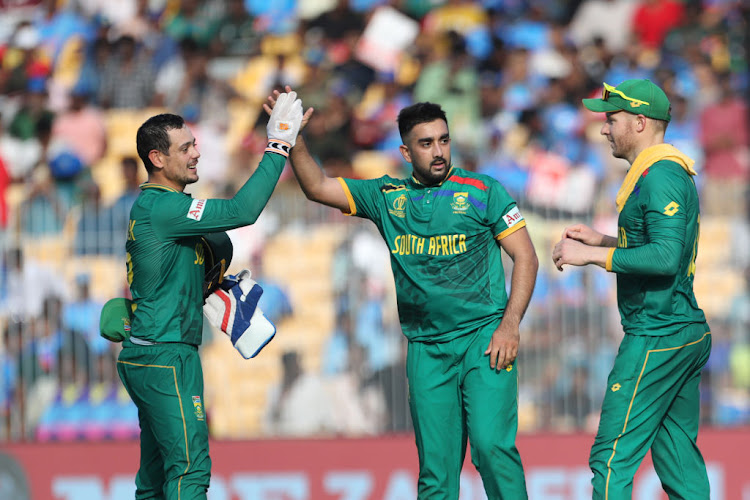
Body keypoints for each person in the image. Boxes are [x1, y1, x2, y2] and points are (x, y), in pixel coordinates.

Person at [267, 88, 538, 499]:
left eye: (443, 140)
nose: (438, 151)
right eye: (426, 143)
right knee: (436, 470)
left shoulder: (484, 191)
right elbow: (318, 187)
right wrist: (295, 140)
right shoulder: (386, 196)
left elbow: (527, 258)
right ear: (406, 152)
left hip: (485, 339)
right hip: (426, 348)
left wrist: (510, 325)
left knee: (491, 447)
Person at [116, 92, 304, 499]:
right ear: (157, 159)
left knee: (154, 479)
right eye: (185, 148)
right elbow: (242, 211)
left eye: (195, 143)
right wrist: (278, 144)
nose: (197, 153)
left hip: (154, 352)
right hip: (165, 355)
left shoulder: (164, 208)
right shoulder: (164, 209)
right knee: (190, 468)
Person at [552, 79, 712, 499]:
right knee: (679, 462)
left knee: (610, 459)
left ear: (640, 122)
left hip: (657, 334)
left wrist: (591, 257)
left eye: (612, 119)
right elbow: (654, 245)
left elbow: (664, 258)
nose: (604, 129)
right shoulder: (657, 174)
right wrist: (602, 240)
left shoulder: (661, 177)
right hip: (678, 331)